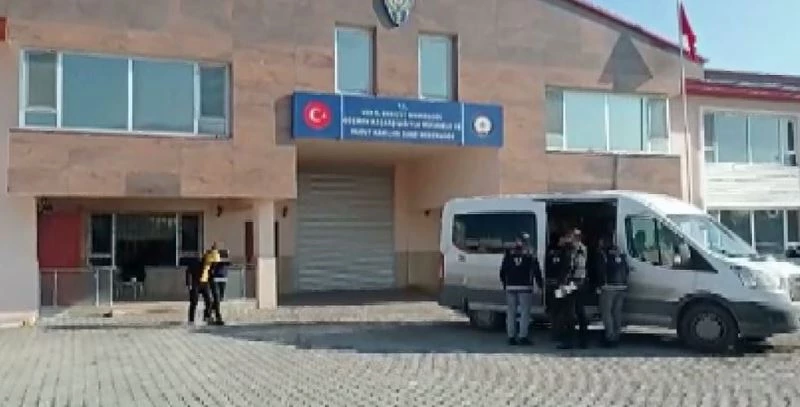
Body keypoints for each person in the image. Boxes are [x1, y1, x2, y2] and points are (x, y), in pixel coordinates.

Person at [499, 232, 543, 345]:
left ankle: (511, 337)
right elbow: (536, 271)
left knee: (511, 313)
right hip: (525, 286)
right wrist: (540, 285)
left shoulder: (508, 254)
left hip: (511, 287)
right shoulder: (530, 255)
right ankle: (523, 336)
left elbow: (502, 271)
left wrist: (505, 284)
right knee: (524, 313)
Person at [555, 228, 589, 349]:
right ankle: (583, 341)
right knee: (580, 311)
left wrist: (562, 285)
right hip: (581, 282)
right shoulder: (583, 249)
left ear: (574, 238)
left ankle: (569, 341)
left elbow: (568, 267)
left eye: (569, 237)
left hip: (570, 283)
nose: (567, 239)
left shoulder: (571, 250)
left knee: (569, 313)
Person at [597, 237, 630, 347]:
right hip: (622, 287)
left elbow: (601, 270)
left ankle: (609, 337)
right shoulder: (622, 255)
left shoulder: (604, 255)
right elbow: (627, 271)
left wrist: (599, 285)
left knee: (607, 313)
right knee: (617, 313)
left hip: (608, 287)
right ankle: (617, 336)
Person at [200, 242, 224, 325]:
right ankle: (211, 315)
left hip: (208, 278)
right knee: (212, 298)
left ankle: (212, 315)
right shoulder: (212, 255)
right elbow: (215, 264)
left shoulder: (210, 255)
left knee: (215, 298)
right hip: (206, 278)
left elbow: (215, 265)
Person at [185, 256, 213, 326]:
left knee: (209, 301)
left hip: (205, 283)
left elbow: (210, 273)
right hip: (196, 283)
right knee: (194, 302)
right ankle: (191, 319)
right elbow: (188, 272)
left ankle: (207, 316)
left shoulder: (208, 264)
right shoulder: (194, 263)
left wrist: (211, 283)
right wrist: (189, 284)